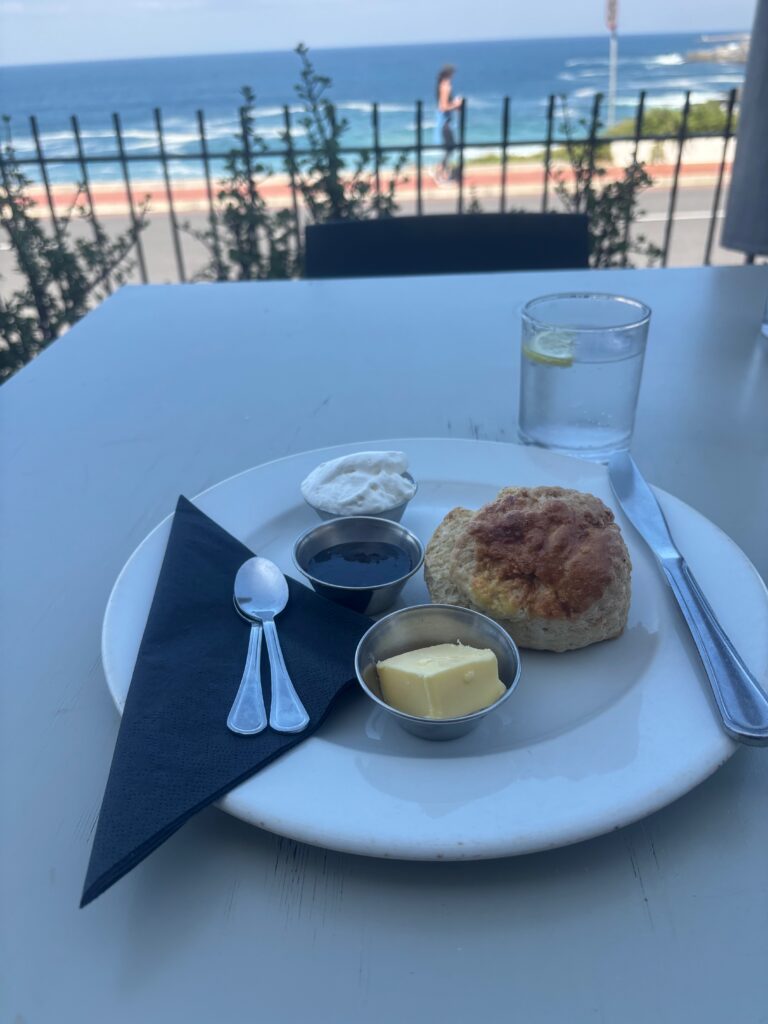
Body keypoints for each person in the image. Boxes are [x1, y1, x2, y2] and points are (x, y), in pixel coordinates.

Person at [432, 65, 462, 185]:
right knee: (449, 148)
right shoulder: (445, 86)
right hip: (445, 123)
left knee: (449, 148)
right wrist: (456, 104)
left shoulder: (442, 85)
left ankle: (442, 170)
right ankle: (439, 171)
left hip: (446, 122)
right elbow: (443, 106)